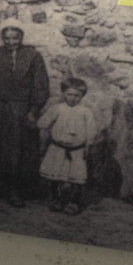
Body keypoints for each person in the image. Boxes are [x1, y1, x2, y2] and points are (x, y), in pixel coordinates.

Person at [0, 19, 50, 207]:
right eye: (7, 38)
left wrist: (33, 111)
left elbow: (40, 86)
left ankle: (14, 189)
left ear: (21, 37)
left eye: (15, 38)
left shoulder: (33, 56)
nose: (11, 42)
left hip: (20, 111)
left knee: (18, 151)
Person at [37, 77, 98, 215]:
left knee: (76, 177)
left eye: (77, 96)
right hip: (58, 147)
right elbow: (43, 123)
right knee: (55, 175)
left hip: (77, 150)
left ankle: (74, 202)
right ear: (63, 93)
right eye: (70, 94)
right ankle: (55, 199)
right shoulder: (57, 108)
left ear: (82, 96)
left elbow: (91, 130)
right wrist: (46, 121)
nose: (73, 98)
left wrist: (88, 145)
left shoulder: (85, 112)